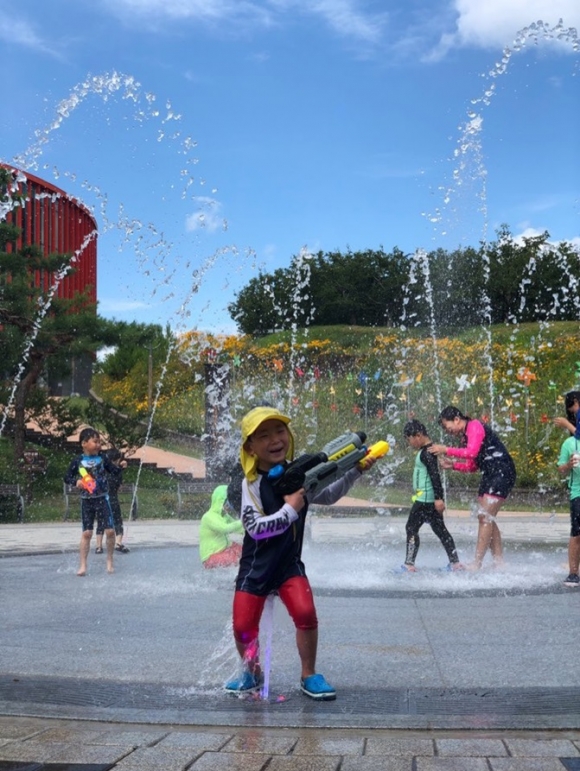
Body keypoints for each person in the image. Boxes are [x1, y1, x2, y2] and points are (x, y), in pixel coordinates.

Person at [226, 405, 377, 701]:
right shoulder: (250, 484)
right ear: (250, 447)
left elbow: (328, 494)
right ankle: (252, 672)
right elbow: (255, 528)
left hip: (288, 565)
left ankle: (309, 673)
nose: (275, 440)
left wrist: (355, 471)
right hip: (255, 568)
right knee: (243, 625)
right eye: (264, 436)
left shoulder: (301, 475)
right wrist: (290, 509)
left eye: (280, 431)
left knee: (306, 613)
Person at [428, 406, 516, 571]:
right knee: (487, 517)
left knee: (485, 517)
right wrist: (453, 465)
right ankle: (499, 563)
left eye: (447, 427)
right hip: (489, 474)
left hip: (502, 471)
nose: (448, 432)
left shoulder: (474, 426)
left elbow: (472, 452)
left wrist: (446, 449)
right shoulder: (465, 438)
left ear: (456, 419)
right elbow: (472, 465)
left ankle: (477, 563)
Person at [401, 420, 463, 572]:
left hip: (425, 500)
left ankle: (409, 564)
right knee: (440, 530)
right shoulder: (428, 451)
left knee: (411, 528)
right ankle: (455, 563)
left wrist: (438, 498)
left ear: (418, 435)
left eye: (410, 439)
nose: (410, 443)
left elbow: (435, 476)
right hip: (429, 500)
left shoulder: (427, 453)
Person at [63, 427, 118, 576]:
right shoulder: (78, 461)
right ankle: (82, 565)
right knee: (87, 533)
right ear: (84, 443)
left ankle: (109, 561)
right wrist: (76, 482)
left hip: (103, 499)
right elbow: (67, 477)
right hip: (87, 501)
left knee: (110, 531)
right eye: (95, 442)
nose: (98, 445)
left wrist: (121, 467)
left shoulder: (103, 458)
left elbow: (114, 471)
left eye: (100, 442)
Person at [199, 484, 244, 568]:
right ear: (220, 502)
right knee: (236, 559)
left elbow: (239, 529)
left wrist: (253, 529)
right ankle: (241, 573)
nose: (229, 507)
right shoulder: (208, 517)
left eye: (230, 503)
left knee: (246, 551)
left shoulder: (224, 516)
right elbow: (224, 528)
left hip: (224, 549)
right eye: (227, 503)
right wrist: (243, 521)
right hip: (210, 556)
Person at [95, 448, 129, 555]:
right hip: (113, 498)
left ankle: (99, 547)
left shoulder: (101, 468)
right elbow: (118, 485)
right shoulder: (117, 471)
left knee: (101, 521)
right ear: (117, 460)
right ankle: (118, 543)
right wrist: (121, 469)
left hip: (101, 499)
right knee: (117, 520)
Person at [557, 431, 580, 586]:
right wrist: (568, 465)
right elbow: (561, 468)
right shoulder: (570, 443)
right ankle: (573, 573)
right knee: (576, 533)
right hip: (578, 492)